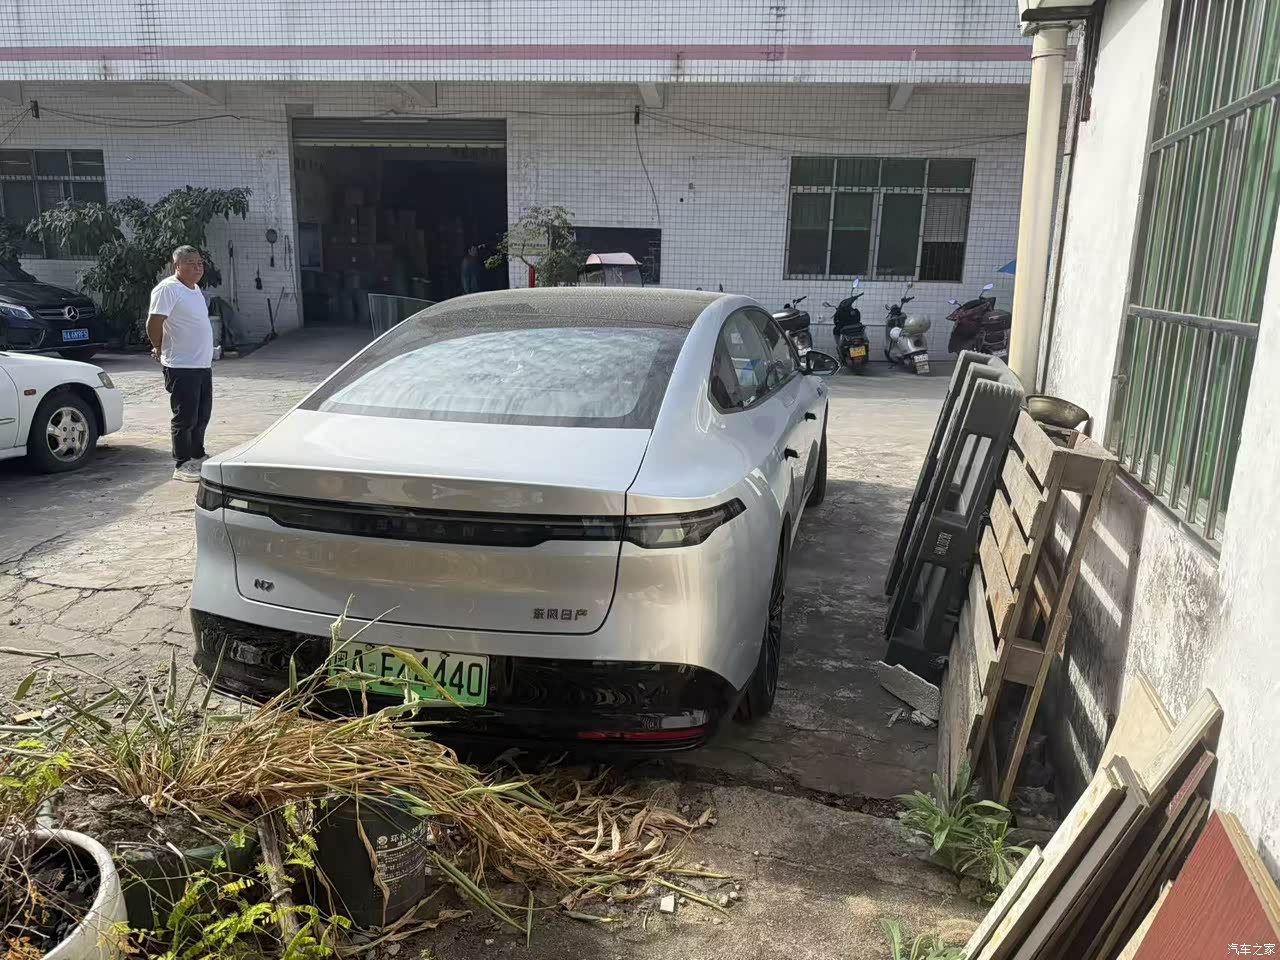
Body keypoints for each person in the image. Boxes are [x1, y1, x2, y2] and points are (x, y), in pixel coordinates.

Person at [147, 245, 214, 483]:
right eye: (191, 263)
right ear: (176, 266)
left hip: (201, 364)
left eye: (200, 263)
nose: (197, 268)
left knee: (202, 414)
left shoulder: (194, 289)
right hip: (181, 365)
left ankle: (197, 454)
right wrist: (158, 346)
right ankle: (182, 463)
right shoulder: (168, 289)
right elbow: (154, 322)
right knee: (185, 417)